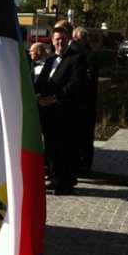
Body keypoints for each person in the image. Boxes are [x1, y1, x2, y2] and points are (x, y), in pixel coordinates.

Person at [35, 28, 86, 195]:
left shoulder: (77, 59)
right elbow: (41, 82)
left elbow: (75, 85)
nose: (60, 42)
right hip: (48, 113)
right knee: (51, 147)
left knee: (65, 149)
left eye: (63, 39)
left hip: (66, 112)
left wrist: (55, 98)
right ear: (52, 40)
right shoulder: (50, 60)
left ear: (68, 40)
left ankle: (66, 183)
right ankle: (55, 178)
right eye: (57, 39)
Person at [72, 26, 99, 172]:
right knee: (85, 136)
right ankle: (84, 162)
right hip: (87, 102)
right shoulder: (90, 54)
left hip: (84, 102)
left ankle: (84, 163)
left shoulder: (84, 55)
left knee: (84, 135)